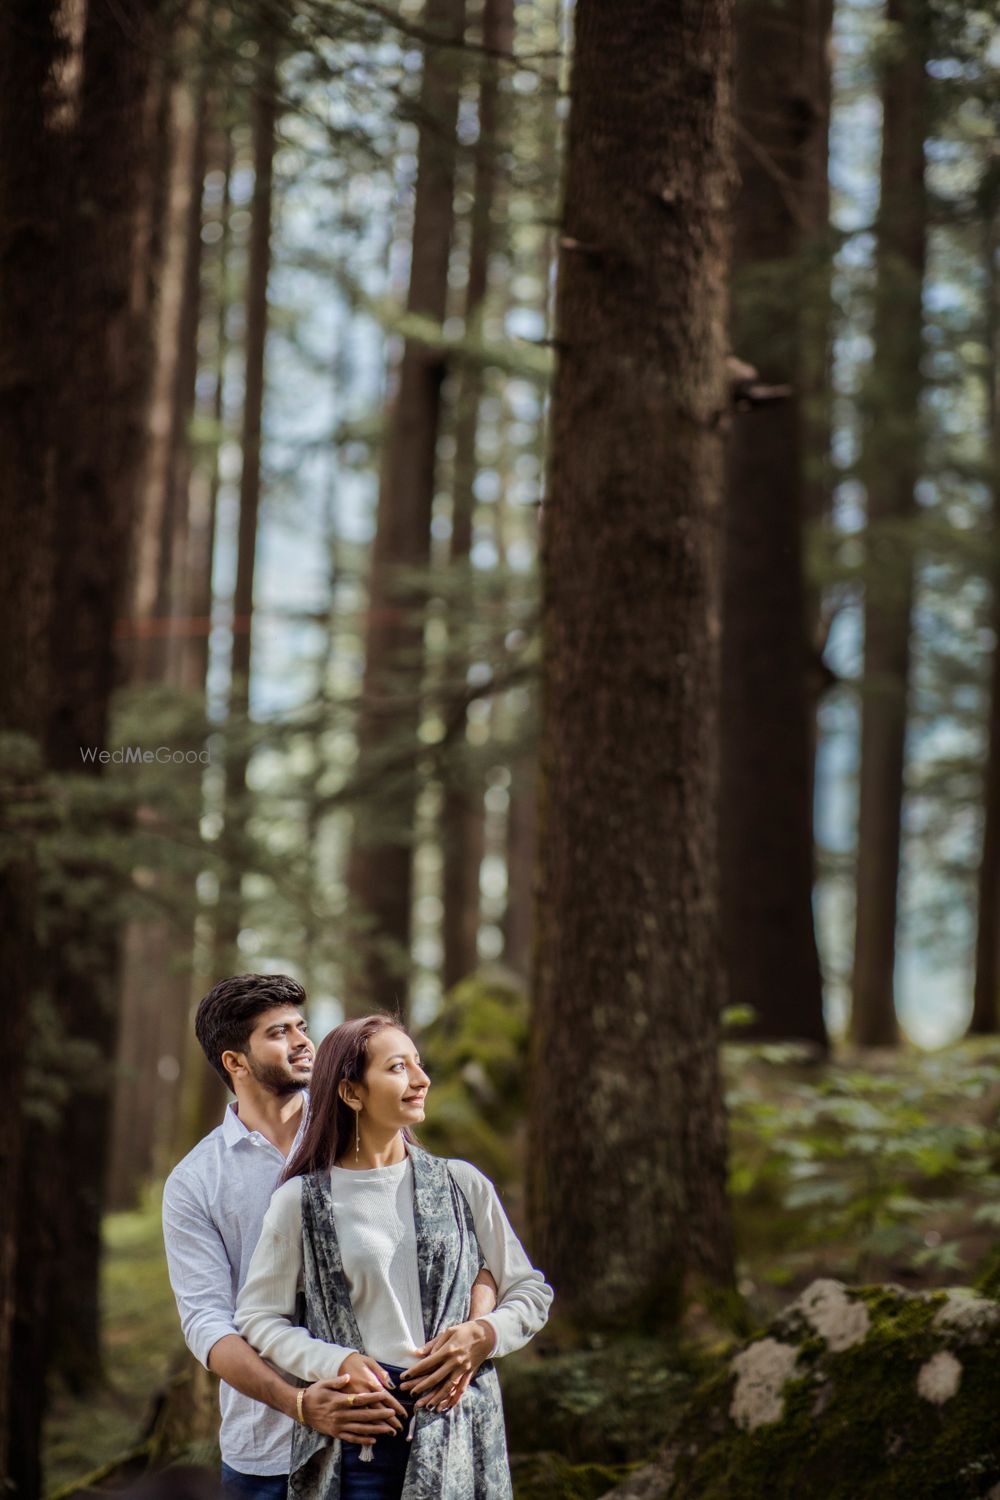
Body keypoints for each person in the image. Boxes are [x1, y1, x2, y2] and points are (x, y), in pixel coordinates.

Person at [162, 975, 498, 1500]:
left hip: (382, 1435)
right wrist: (298, 1403)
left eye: (301, 1026)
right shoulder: (197, 1180)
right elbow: (208, 1322)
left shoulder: (363, 1124)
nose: (302, 1041)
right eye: (278, 1033)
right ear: (235, 1062)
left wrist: (475, 1334)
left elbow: (463, 1248)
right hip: (266, 1447)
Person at [235, 1013, 553, 1500]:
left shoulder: (460, 1183)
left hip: (461, 1427)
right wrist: (334, 1361)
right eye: (398, 1067)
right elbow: (258, 1316)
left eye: (418, 1065)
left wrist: (484, 1335)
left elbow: (528, 1289)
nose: (421, 1080)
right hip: (362, 1436)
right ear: (351, 1093)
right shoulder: (301, 1201)